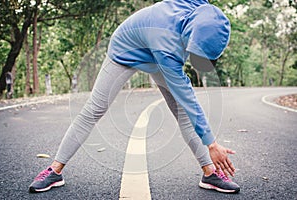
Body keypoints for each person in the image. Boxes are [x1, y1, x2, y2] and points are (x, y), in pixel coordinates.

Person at [29, 0, 240, 194]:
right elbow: (189, 99)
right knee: (95, 108)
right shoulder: (167, 49)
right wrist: (212, 144)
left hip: (155, 51)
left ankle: (210, 174)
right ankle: (54, 171)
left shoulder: (200, 7)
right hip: (126, 51)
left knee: (182, 114)